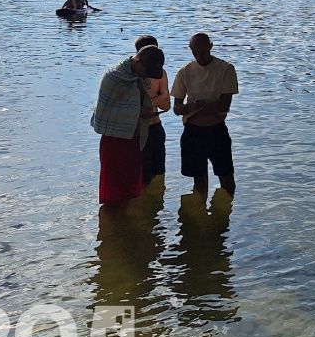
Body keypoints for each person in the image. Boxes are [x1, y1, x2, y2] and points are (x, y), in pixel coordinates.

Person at [92, 44, 165, 207]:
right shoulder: (114, 77)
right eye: (146, 72)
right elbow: (107, 111)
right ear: (138, 62)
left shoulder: (139, 78)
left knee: (131, 190)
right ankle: (111, 226)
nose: (147, 76)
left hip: (134, 140)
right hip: (114, 140)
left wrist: (142, 113)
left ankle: (124, 222)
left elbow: (134, 104)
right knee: (113, 193)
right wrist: (139, 114)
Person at [171, 33, 239, 197]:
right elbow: (177, 108)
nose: (199, 56)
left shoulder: (226, 69)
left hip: (216, 131)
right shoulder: (184, 72)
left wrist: (201, 106)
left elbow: (225, 105)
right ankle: (199, 216)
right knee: (199, 182)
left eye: (202, 51)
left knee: (227, 180)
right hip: (193, 132)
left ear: (210, 46)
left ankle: (224, 215)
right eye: (195, 52)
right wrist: (191, 107)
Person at [134, 34, 172, 187]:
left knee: (158, 174)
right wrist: (156, 98)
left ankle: (155, 208)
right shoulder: (132, 73)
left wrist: (148, 101)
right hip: (136, 130)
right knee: (141, 175)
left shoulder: (161, 73)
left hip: (155, 127)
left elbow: (166, 105)